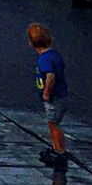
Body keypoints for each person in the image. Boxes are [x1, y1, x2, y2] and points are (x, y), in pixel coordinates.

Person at [27, 22, 69, 168]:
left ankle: (60, 151)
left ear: (31, 43)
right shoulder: (54, 55)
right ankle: (56, 148)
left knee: (53, 124)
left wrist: (46, 93)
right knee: (52, 123)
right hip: (60, 96)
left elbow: (50, 77)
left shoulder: (44, 59)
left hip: (54, 98)